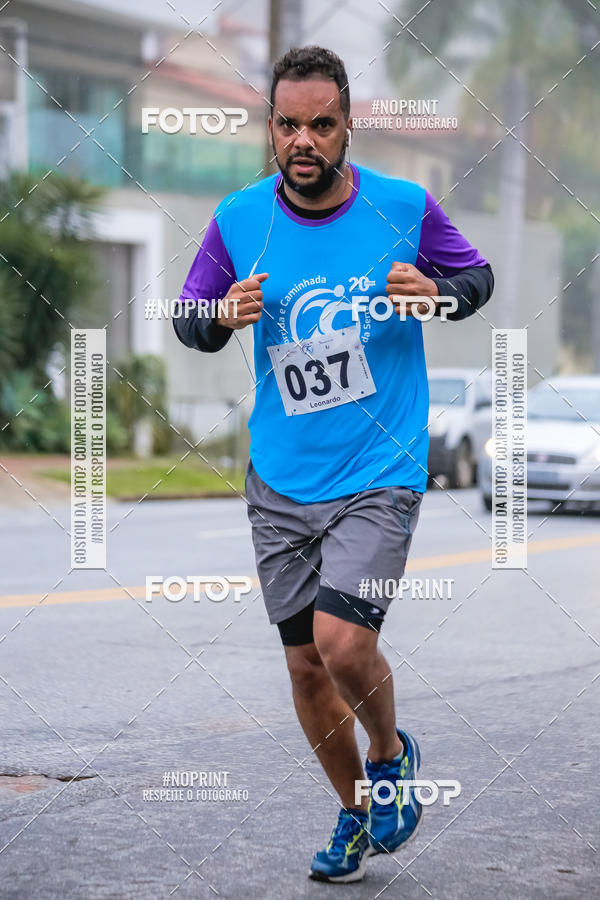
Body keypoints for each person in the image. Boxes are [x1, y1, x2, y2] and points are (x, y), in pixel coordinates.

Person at [174, 45, 494, 884]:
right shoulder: (240, 218)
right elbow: (186, 316)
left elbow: (478, 279)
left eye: (322, 123)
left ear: (349, 124)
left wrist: (438, 293)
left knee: (344, 643)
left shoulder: (403, 205)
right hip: (280, 481)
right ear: (270, 128)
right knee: (304, 664)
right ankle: (356, 816)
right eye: (289, 124)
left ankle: (390, 757)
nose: (304, 139)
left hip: (380, 472)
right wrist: (217, 315)